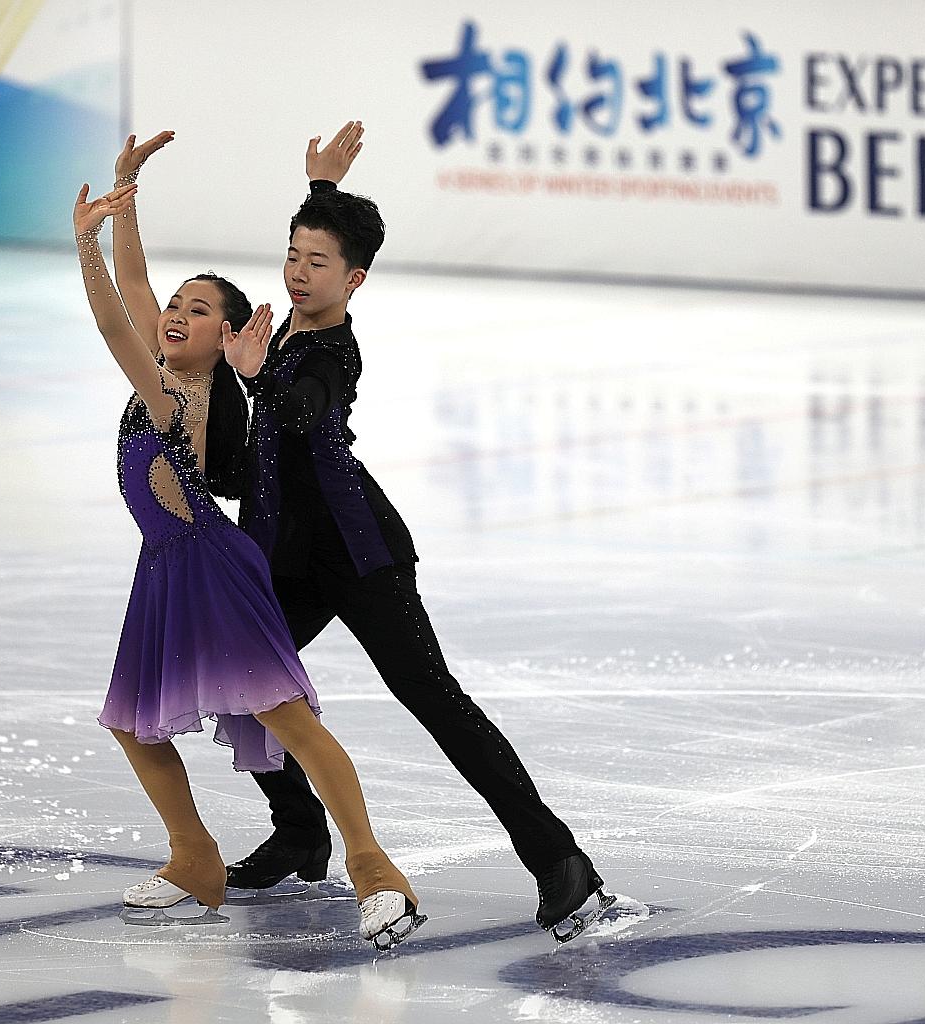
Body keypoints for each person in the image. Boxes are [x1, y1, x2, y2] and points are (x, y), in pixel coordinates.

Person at [214, 122, 614, 942]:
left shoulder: (333, 350)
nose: (296, 273)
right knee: (237, 680)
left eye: (316, 264)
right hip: (290, 555)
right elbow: (321, 244)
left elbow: (302, 410)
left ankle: (560, 861)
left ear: (353, 281)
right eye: (291, 256)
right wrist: (322, 191)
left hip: (361, 556)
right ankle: (299, 830)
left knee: (435, 701)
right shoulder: (293, 310)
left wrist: (256, 384)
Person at [72, 140, 425, 949]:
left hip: (210, 569)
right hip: (162, 569)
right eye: (177, 304)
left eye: (198, 311)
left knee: (287, 719)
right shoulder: (169, 371)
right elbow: (136, 290)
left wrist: (84, 239)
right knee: (135, 723)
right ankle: (194, 857)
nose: (174, 313)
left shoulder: (173, 395)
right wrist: (125, 199)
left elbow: (109, 313)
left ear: (226, 335)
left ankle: (375, 868)